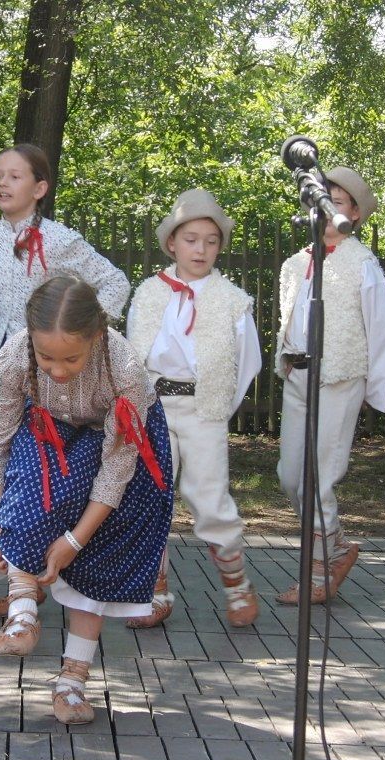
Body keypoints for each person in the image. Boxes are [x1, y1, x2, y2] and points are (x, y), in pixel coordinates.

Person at [0, 276, 173, 724]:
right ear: (30, 339)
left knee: (96, 556)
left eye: (70, 358)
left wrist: (74, 540)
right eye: (45, 356)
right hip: (47, 426)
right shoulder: (14, 355)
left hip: (116, 443)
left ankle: (72, 682)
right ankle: (22, 611)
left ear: (95, 337)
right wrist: (2, 526)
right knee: (29, 501)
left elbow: (115, 469)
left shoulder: (122, 367)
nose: (56, 369)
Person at [0, 144, 130, 516]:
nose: (2, 183)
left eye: (14, 176)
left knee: (37, 459)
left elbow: (115, 281)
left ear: (39, 189)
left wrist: (85, 332)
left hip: (46, 368)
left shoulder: (60, 239)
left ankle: (34, 537)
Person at [125, 189, 262, 629]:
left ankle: (237, 585)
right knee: (150, 495)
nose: (200, 249)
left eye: (210, 240)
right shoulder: (148, 294)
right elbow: (132, 354)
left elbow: (247, 362)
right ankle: (155, 591)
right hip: (155, 407)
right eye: (190, 239)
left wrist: (218, 405)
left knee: (209, 497)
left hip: (204, 408)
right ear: (172, 244)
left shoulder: (232, 301)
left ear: (220, 246)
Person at [273, 167, 385, 605]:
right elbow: (293, 319)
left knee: (317, 478)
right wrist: (286, 360)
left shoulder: (361, 263)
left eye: (338, 203)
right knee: (290, 475)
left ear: (355, 215)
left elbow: (383, 329)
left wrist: (369, 389)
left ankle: (319, 572)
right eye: (321, 201)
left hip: (340, 376)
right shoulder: (296, 263)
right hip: (300, 375)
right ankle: (339, 546)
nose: (326, 211)